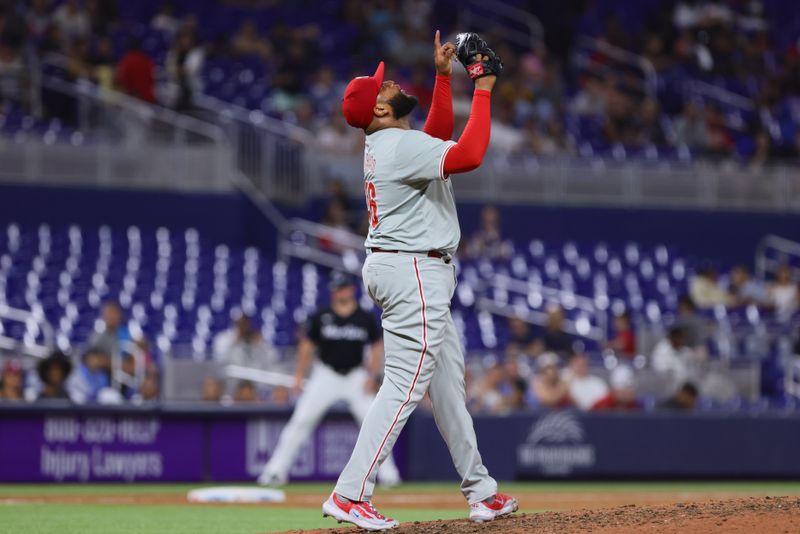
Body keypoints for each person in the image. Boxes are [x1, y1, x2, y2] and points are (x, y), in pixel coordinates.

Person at [324, 32, 516, 530]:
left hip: (407, 266)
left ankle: (482, 492)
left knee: (447, 386)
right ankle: (350, 493)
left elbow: (432, 140)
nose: (387, 82)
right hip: (412, 268)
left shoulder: (389, 142)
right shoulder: (394, 147)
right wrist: (484, 88)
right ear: (381, 113)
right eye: (382, 87)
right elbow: (468, 154)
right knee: (405, 384)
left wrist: (443, 77)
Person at [259, 273, 401, 488]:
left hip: (356, 375)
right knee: (301, 419)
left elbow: (376, 346)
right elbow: (307, 346)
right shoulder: (322, 315)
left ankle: (389, 474)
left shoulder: (364, 317)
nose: (340, 292)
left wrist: (372, 375)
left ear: (351, 290)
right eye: (336, 289)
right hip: (325, 374)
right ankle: (275, 471)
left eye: (343, 288)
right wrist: (299, 375)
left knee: (375, 424)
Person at [212, 313, 277, 370]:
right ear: (235, 323)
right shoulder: (224, 338)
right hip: (233, 375)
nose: (243, 327)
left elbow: (273, 357)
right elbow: (220, 359)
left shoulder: (256, 339)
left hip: (255, 375)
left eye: (245, 323)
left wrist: (262, 344)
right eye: (241, 323)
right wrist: (235, 341)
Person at [115, 38, 155, 103]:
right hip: (149, 101)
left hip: (135, 101)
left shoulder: (127, 60)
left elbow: (120, 80)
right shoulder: (147, 60)